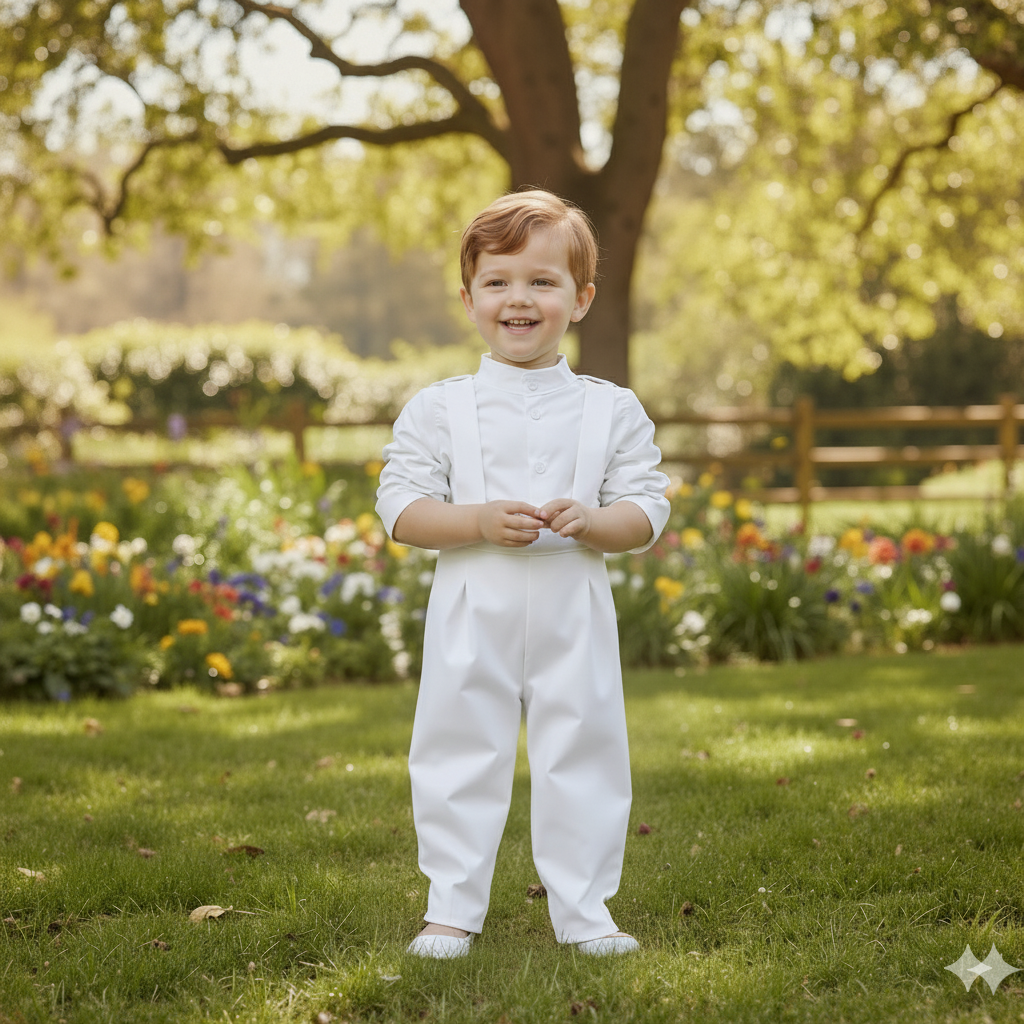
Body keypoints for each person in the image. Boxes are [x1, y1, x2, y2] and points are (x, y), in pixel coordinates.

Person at [375, 189, 670, 958]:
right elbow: (401, 507)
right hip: (474, 611)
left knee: (584, 747)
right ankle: (451, 909)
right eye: (500, 282)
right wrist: (473, 521)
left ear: (581, 298)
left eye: (543, 282)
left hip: (575, 610)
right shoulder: (440, 409)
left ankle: (585, 911)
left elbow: (645, 507)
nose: (520, 299)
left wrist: (595, 522)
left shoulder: (612, 410)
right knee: (457, 748)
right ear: (469, 297)